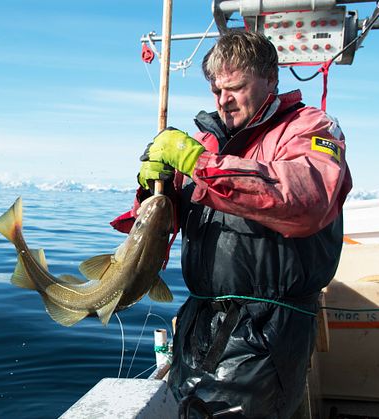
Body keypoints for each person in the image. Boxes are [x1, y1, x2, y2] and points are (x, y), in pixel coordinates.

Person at [119, 30, 352, 418]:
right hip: (202, 324)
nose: (223, 100)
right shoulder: (207, 143)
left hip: (266, 331)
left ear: (271, 79)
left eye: (235, 87)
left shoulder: (310, 128)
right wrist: (152, 192)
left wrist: (198, 163)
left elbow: (307, 198)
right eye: (215, 91)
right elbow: (162, 227)